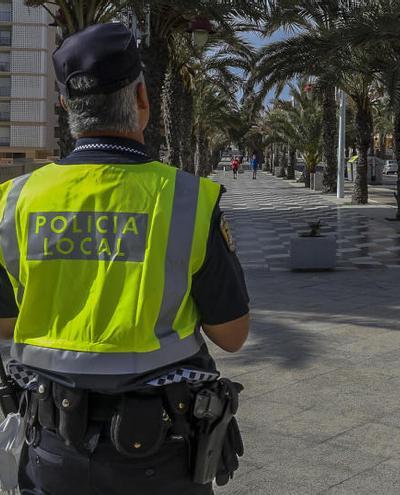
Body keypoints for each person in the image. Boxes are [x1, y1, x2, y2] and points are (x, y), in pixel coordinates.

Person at [0, 23, 250, 494]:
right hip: (162, 452)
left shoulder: (14, 200)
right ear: (142, 99)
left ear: (65, 107)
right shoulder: (188, 200)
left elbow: (4, 322)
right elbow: (232, 335)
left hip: (51, 448)